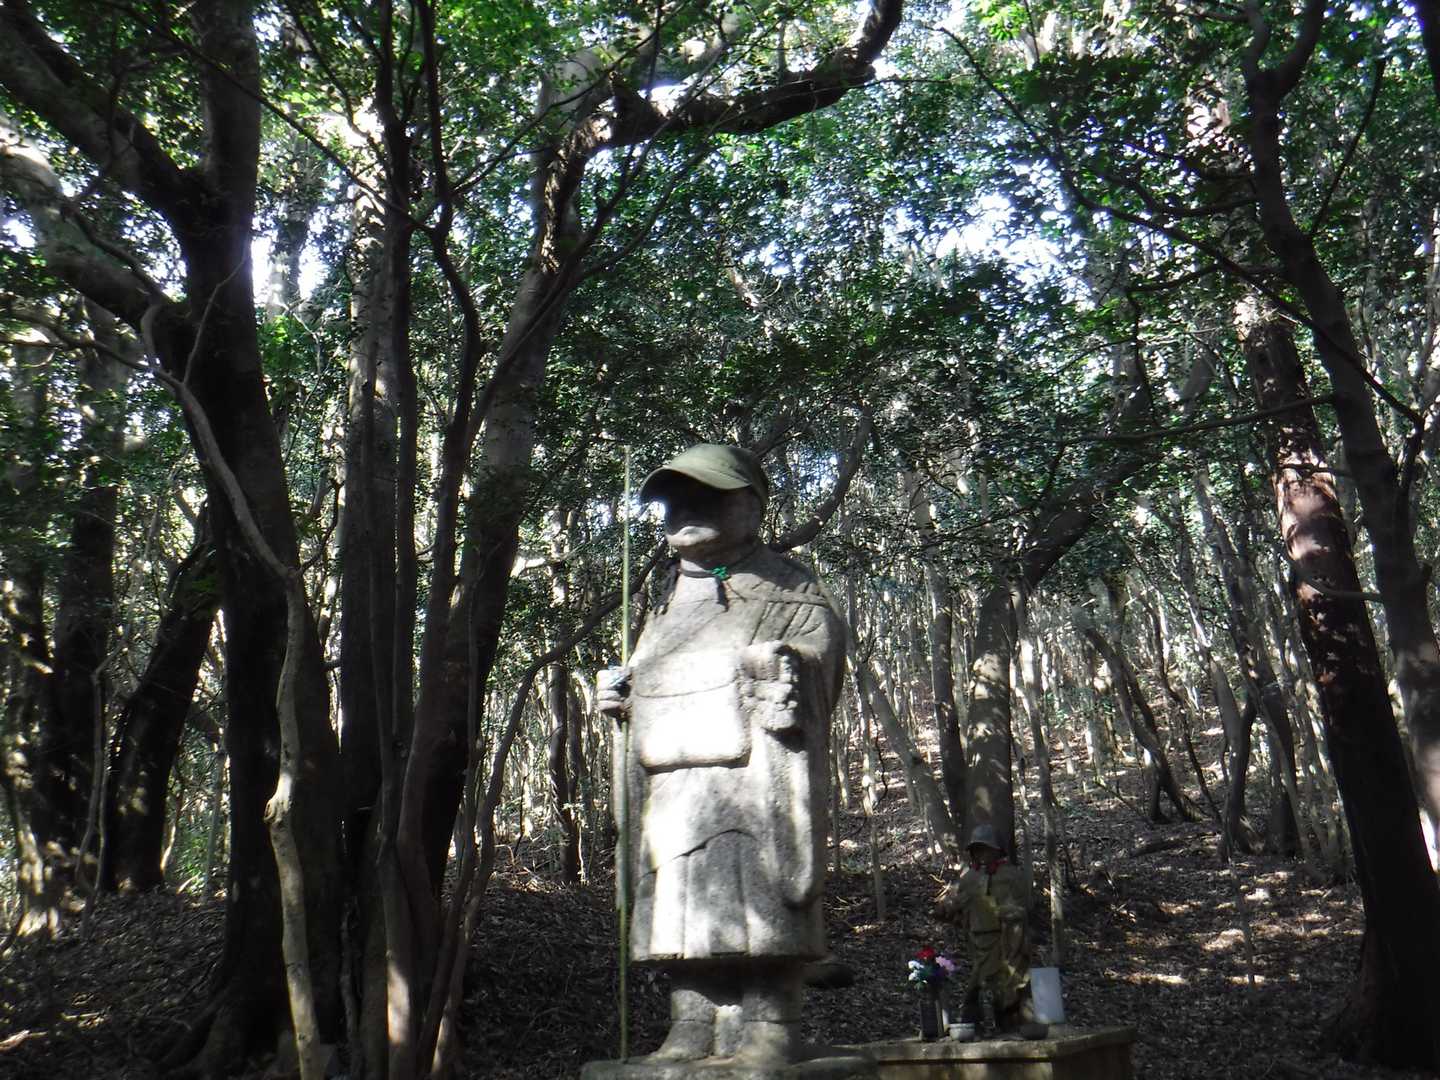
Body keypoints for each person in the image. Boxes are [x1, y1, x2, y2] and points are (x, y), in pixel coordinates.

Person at [597, 444, 844, 1065]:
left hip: (754, 779)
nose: (686, 510)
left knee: (759, 892)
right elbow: (646, 676)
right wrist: (622, 695)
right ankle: (690, 1025)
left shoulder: (790, 589)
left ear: (752, 506)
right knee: (677, 898)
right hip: (673, 782)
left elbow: (818, 661)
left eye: (707, 497)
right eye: (675, 501)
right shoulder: (665, 604)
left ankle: (771, 1024)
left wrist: (785, 667)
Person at [936, 824, 1036, 1035]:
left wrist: (1005, 911)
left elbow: (1023, 906)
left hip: (1006, 939)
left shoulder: (1012, 876)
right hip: (978, 939)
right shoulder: (969, 879)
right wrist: (948, 908)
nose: (983, 855)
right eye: (978, 850)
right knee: (979, 981)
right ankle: (973, 1022)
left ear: (997, 850)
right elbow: (958, 905)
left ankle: (1010, 1021)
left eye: (986, 849)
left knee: (1009, 980)